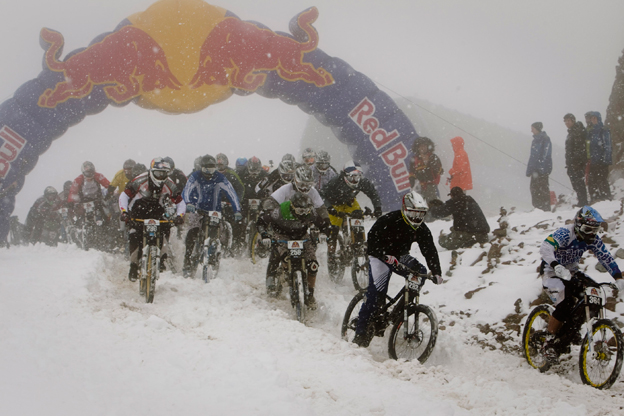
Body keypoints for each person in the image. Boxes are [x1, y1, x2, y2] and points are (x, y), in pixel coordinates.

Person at [352, 191, 443, 347]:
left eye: (421, 214)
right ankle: (359, 335)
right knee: (376, 293)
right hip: (379, 256)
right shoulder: (389, 220)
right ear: (405, 210)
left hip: (400, 256)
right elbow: (372, 240)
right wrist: (383, 254)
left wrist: (436, 272)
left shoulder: (421, 228)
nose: (417, 217)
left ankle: (399, 312)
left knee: (419, 273)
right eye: (414, 213)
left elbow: (429, 250)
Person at [539, 206, 624, 362]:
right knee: (565, 302)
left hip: (571, 272)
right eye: (587, 229)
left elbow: (605, 258)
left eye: (595, 230)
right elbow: (546, 247)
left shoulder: (592, 239)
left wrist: (618, 277)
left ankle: (572, 328)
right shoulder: (565, 232)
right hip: (551, 271)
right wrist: (555, 264)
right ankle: (548, 342)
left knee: (594, 294)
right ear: (578, 225)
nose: (591, 234)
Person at [256, 192, 329, 308]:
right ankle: (283, 271)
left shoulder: (310, 212)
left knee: (313, 265)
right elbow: (262, 221)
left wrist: (324, 232)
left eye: (305, 212)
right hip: (282, 235)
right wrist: (265, 235)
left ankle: (310, 294)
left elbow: (323, 223)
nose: (303, 215)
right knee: (284, 255)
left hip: (302, 236)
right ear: (292, 206)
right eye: (300, 211)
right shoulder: (280, 211)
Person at [120, 157, 185, 281]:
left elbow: (180, 202)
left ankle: (162, 257)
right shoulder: (139, 180)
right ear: (151, 171)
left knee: (166, 229)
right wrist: (124, 212)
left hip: (158, 210)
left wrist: (179, 216)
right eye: (158, 173)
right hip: (138, 209)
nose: (160, 177)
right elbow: (124, 195)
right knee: (134, 234)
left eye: (164, 173)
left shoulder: (170, 184)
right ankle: (133, 265)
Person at [181, 155, 242, 278]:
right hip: (197, 209)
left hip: (214, 210)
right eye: (206, 170)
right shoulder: (195, 176)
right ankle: (187, 261)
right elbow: (186, 190)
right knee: (192, 232)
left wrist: (237, 210)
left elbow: (231, 192)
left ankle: (213, 257)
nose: (209, 173)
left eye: (212, 169)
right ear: (201, 168)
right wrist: (188, 203)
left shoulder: (220, 178)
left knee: (216, 234)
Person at [321, 160, 382, 276]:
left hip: (349, 202)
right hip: (334, 204)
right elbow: (322, 194)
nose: (355, 180)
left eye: (358, 176)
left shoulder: (362, 182)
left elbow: (373, 193)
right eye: (352, 177)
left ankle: (358, 241)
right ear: (345, 175)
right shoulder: (335, 181)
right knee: (333, 230)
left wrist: (377, 208)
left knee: (358, 215)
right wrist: (329, 207)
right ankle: (331, 256)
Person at [216, 153, 245, 253]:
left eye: (222, 164)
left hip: (229, 203)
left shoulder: (232, 174)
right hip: (215, 204)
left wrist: (237, 201)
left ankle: (234, 245)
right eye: (218, 165)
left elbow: (241, 188)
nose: (220, 167)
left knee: (235, 223)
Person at [585, 111, 612, 203]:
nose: (593, 120)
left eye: (594, 118)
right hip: (594, 161)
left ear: (598, 119)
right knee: (592, 181)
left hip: (602, 161)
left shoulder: (603, 130)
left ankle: (607, 198)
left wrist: (606, 160)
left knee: (602, 180)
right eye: (592, 119)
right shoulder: (592, 131)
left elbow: (607, 146)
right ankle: (596, 199)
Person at [563, 114, 589, 207]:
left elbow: (579, 148)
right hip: (572, 163)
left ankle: (583, 202)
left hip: (577, 162)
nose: (567, 123)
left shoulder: (577, 131)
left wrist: (576, 161)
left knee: (579, 182)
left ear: (573, 120)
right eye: (565, 121)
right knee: (575, 183)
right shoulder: (571, 132)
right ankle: (581, 201)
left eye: (568, 121)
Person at [526, 122, 552, 211]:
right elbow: (532, 156)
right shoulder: (535, 140)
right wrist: (529, 170)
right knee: (534, 189)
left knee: (543, 189)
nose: (531, 130)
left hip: (542, 170)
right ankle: (537, 208)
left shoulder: (545, 139)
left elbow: (545, 155)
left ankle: (545, 208)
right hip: (534, 170)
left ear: (537, 129)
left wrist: (541, 167)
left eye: (532, 128)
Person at [408, 137, 443, 202]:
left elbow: (440, 171)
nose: (422, 148)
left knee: (431, 204)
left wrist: (435, 167)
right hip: (418, 187)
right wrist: (412, 181)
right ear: (417, 148)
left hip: (430, 186)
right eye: (420, 146)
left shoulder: (433, 157)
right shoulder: (414, 159)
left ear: (428, 147)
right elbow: (411, 173)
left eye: (424, 146)